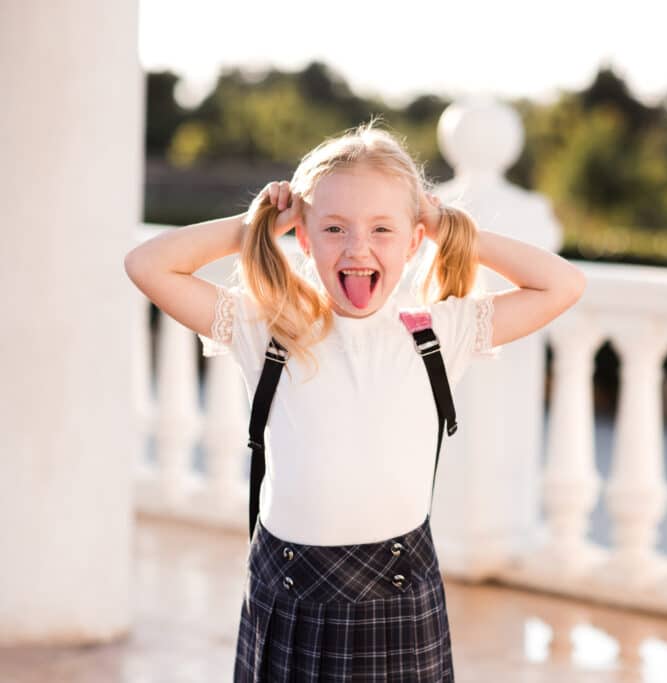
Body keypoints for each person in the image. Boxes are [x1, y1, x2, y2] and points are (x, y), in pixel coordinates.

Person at [123, 120, 586, 682]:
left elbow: (562, 285)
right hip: (286, 594)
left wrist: (446, 224)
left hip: (398, 601)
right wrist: (256, 226)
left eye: (382, 229)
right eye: (335, 228)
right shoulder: (267, 328)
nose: (357, 247)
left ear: (414, 240)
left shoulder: (439, 331)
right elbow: (146, 265)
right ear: (304, 236)